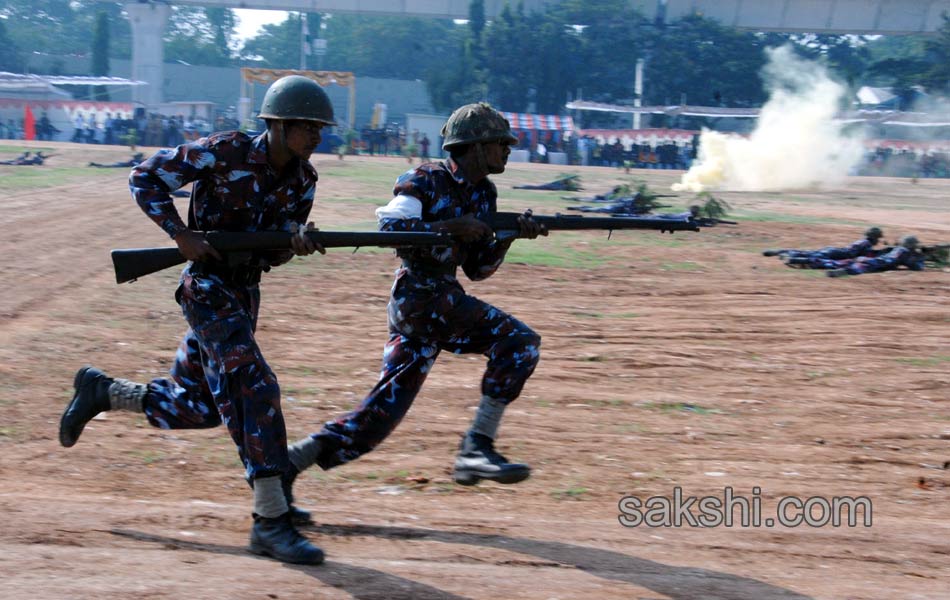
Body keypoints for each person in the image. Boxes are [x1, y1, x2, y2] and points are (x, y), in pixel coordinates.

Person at [58, 75, 337, 565]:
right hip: (206, 289)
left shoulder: (303, 180)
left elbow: (273, 253)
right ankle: (271, 519)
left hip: (244, 293)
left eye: (319, 129)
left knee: (202, 407)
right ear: (279, 125)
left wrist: (293, 244)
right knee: (255, 385)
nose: (318, 136)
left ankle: (103, 392)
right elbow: (144, 177)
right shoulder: (223, 152)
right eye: (310, 127)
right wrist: (180, 233)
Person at [282, 103, 547, 520]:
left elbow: (477, 270)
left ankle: (286, 466)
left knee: (378, 418)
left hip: (438, 302)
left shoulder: (484, 194)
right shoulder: (424, 179)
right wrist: (452, 227)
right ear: (474, 146)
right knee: (520, 343)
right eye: (501, 144)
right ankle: (476, 448)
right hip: (420, 298)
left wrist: (510, 237)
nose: (508, 151)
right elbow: (388, 232)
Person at [765, 227, 884, 265]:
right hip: (838, 254)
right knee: (817, 259)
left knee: (808, 252)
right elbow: (865, 258)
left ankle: (781, 252)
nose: (877, 241)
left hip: (835, 250)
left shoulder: (862, 241)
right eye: (878, 238)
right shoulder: (867, 245)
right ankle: (791, 258)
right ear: (874, 237)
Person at [826, 235, 926, 277]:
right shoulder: (905, 252)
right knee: (862, 267)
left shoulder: (899, 249)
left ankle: (815, 262)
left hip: (876, 260)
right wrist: (921, 257)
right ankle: (845, 271)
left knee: (849, 262)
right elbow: (916, 267)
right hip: (882, 262)